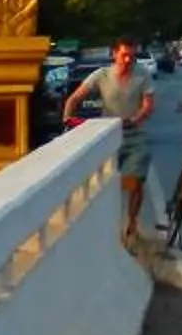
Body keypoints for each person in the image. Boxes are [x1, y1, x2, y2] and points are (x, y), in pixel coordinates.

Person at [63, 37, 155, 243]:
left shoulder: (143, 75)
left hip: (133, 134)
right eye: (124, 55)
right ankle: (108, 225)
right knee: (106, 184)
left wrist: (135, 119)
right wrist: (67, 120)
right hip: (108, 135)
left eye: (132, 56)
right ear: (114, 54)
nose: (128, 59)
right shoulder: (102, 75)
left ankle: (132, 223)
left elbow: (148, 105)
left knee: (135, 182)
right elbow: (75, 98)